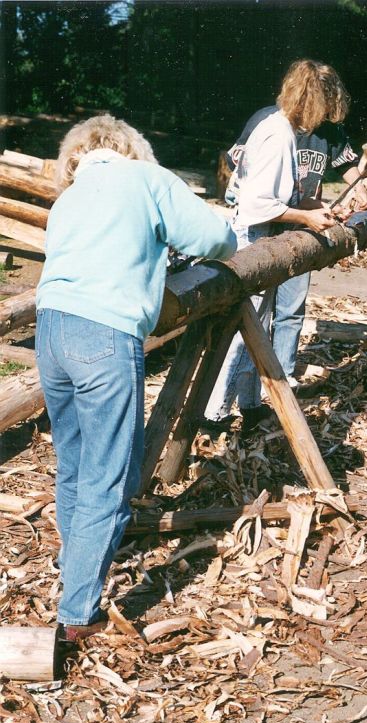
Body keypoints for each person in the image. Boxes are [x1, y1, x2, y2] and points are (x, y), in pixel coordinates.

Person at [36, 115, 236, 640]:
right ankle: (78, 612)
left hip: (52, 327)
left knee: (75, 462)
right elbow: (216, 236)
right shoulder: (145, 179)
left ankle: (72, 562)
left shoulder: (69, 198)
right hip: (105, 331)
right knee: (110, 476)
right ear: (131, 148)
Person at [205, 59, 367, 432]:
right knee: (245, 326)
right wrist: (307, 218)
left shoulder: (283, 130)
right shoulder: (277, 134)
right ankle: (213, 413)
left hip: (263, 232)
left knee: (259, 327)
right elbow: (257, 205)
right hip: (254, 237)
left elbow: (288, 195)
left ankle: (248, 403)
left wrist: (321, 207)